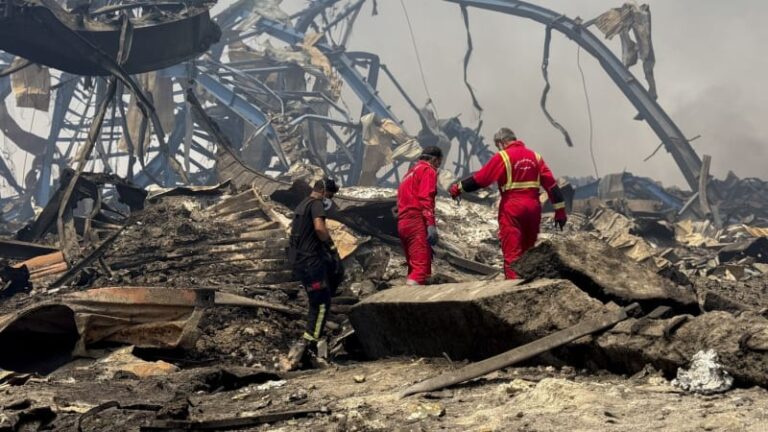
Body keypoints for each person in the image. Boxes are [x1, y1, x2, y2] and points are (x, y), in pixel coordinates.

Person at [449, 128, 567, 279]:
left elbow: (481, 179)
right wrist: (560, 212)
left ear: (501, 143)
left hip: (512, 207)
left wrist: (458, 188)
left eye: (497, 146)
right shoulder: (536, 157)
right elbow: (552, 186)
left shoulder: (503, 156)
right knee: (527, 251)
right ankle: (528, 286)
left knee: (512, 253)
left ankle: (512, 288)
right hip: (533, 209)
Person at [282, 178, 344, 370]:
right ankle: (310, 346)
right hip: (311, 263)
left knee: (315, 302)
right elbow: (319, 228)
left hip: (301, 263)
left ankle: (309, 341)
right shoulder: (317, 204)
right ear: (324, 191)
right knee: (322, 303)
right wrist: (331, 246)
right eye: (331, 196)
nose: (330, 200)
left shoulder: (302, 204)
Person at [397, 146, 443, 285]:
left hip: (403, 222)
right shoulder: (428, 170)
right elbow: (426, 198)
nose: (438, 167)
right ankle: (409, 303)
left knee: (414, 266)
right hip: (416, 220)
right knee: (420, 269)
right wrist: (430, 224)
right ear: (435, 160)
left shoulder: (408, 174)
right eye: (439, 163)